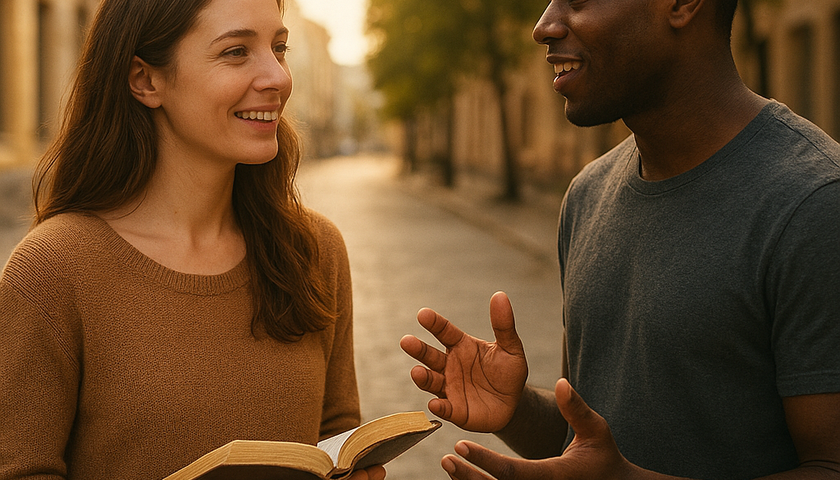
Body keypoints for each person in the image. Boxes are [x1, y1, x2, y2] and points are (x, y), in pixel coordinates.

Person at [401, 0, 840, 478]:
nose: (543, 27)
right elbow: (589, 447)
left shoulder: (814, 204)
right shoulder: (587, 194)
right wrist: (519, 409)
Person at [0, 0, 385, 479]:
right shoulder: (52, 270)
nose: (278, 77)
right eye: (236, 52)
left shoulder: (314, 250)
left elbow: (336, 434)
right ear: (145, 80)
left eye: (279, 48)